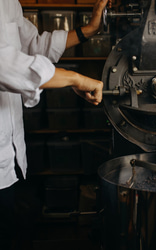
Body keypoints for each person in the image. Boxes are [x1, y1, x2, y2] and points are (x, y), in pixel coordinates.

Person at [0, 0, 109, 249]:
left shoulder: (9, 3)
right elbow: (4, 65)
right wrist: (75, 78)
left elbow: (35, 47)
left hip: (10, 154)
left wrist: (91, 28)